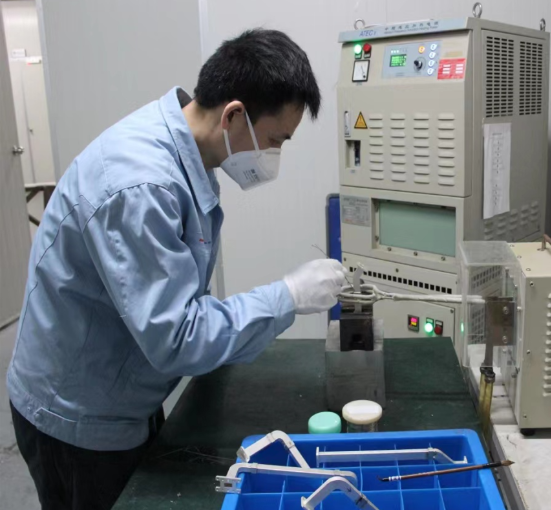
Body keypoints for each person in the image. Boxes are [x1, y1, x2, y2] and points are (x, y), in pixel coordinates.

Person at [7, 28, 345, 510]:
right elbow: (176, 338)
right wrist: (289, 295)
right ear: (233, 115)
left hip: (122, 381)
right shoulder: (141, 186)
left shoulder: (187, 148)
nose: (274, 156)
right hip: (78, 414)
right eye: (275, 140)